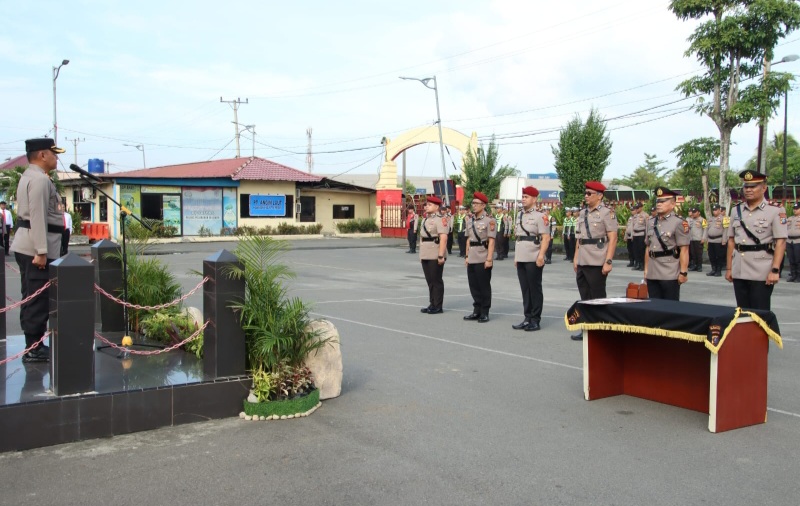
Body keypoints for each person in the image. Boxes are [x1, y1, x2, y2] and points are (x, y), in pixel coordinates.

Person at [9, 138, 67, 363]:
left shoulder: (29, 176)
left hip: (29, 244)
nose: (57, 158)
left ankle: (33, 344)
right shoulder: (40, 181)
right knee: (37, 298)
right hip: (36, 247)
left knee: (31, 296)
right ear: (42, 155)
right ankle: (33, 348)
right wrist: (41, 250)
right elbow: (38, 216)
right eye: (54, 153)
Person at [725, 170, 788, 311]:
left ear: (764, 188)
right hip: (739, 267)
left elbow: (781, 242)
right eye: (746, 186)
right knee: (742, 312)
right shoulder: (736, 210)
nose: (748, 190)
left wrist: (775, 270)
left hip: (762, 269)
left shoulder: (775, 210)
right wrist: (729, 268)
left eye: (753, 186)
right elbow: (731, 241)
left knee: (760, 312)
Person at [571, 181, 618, 341]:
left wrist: (608, 261)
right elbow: (580, 239)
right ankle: (587, 328)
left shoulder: (607, 213)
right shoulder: (583, 213)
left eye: (589, 193)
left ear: (600, 196)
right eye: (585, 193)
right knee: (585, 296)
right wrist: (576, 258)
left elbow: (612, 238)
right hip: (583, 259)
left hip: (598, 260)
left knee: (597, 297)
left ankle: (599, 329)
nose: (586, 196)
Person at [512, 186, 550, 332]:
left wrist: (541, 256)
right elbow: (519, 238)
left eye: (526, 197)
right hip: (522, 256)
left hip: (534, 257)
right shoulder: (520, 215)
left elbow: (546, 238)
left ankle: (535, 319)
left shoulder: (540, 216)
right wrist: (516, 257)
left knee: (534, 289)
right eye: (523, 196)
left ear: (534, 199)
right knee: (525, 289)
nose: (523, 199)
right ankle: (527, 317)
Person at [643, 187, 690, 301]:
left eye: (663, 201)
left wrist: (683, 272)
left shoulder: (679, 222)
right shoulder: (651, 222)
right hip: (653, 270)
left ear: (673, 204)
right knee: (654, 305)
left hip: (669, 270)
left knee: (670, 307)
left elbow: (684, 249)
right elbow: (648, 248)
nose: (659, 204)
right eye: (658, 201)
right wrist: (646, 270)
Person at [463, 192, 496, 322]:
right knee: (473, 285)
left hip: (483, 257)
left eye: (476, 203)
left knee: (484, 286)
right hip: (471, 256)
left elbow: (491, 241)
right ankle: (476, 310)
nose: (474, 205)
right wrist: (466, 256)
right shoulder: (469, 220)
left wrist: (489, 259)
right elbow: (468, 240)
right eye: (473, 203)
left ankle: (485, 311)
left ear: (483, 205)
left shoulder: (489, 221)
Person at [419, 196, 450, 314]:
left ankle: (438, 305)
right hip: (426, 253)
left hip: (435, 252)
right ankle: (432, 303)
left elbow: (443, 238)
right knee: (429, 280)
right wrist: (421, 255)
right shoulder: (425, 219)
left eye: (429, 204)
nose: (426, 206)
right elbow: (422, 238)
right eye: (426, 205)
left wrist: (441, 255)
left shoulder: (441, 219)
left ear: (437, 207)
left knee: (436, 280)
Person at [703, 204, 727, 277]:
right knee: (711, 256)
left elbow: (726, 230)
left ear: (719, 210)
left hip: (719, 240)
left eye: (716, 210)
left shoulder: (724, 219)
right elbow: (706, 229)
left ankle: (718, 270)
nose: (714, 211)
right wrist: (705, 238)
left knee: (719, 256)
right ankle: (713, 269)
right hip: (711, 240)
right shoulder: (710, 219)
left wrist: (724, 240)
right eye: (713, 210)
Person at [688, 207, 706, 272]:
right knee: (693, 253)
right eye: (693, 212)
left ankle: (699, 266)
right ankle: (694, 265)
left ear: (698, 212)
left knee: (699, 254)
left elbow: (705, 229)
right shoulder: (691, 220)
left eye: (695, 212)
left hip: (699, 239)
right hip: (692, 239)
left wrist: (703, 238)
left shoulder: (702, 220)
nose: (693, 214)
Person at [786, 202, 800, 282]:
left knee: (798, 260)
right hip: (789, 241)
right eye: (794, 209)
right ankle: (793, 275)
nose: (795, 210)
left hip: (798, 240)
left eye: (797, 209)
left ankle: (799, 276)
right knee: (791, 259)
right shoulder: (790, 218)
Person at [631, 203, 647, 271]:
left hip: (641, 234)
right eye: (636, 208)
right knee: (636, 250)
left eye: (638, 208)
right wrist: (632, 235)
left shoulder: (645, 215)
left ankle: (643, 265)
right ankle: (638, 264)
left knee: (641, 251)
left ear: (641, 208)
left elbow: (647, 226)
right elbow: (632, 226)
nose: (636, 209)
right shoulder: (635, 216)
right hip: (635, 234)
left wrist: (646, 236)